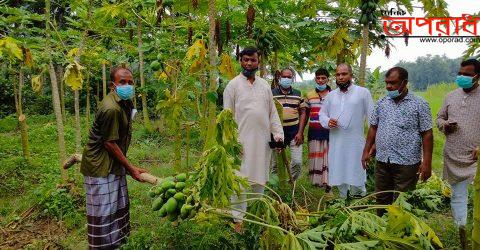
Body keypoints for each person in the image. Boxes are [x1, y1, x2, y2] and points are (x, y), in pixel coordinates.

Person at [80, 67, 148, 249]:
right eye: (122, 82)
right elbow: (109, 144)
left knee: (119, 208)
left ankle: (119, 246)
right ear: (112, 85)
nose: (127, 86)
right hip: (100, 166)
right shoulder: (111, 108)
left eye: (130, 82)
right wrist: (131, 168)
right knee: (104, 214)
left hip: (114, 164)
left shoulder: (124, 102)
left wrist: (125, 166)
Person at [223, 47, 284, 232]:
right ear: (240, 61)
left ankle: (256, 213)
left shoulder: (265, 85)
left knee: (260, 178)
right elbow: (227, 117)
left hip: (262, 142)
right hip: (240, 142)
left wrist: (278, 135)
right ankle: (238, 219)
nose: (249, 63)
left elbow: (272, 113)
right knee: (239, 181)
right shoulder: (232, 86)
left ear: (259, 62)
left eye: (253, 60)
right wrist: (231, 142)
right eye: (246, 60)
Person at [362, 67, 433, 215]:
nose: (388, 86)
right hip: (383, 159)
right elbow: (373, 128)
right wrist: (366, 151)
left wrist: (426, 162)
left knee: (402, 200)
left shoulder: (419, 104)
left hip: (406, 161)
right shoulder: (382, 102)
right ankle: (381, 226)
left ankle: (398, 231)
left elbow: (427, 133)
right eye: (387, 83)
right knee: (381, 197)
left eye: (393, 83)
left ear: (404, 82)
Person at [437, 58, 480, 249]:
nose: (462, 77)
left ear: (477, 77)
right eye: (460, 73)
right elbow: (439, 117)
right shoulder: (450, 96)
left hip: (476, 156)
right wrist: (444, 125)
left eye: (467, 75)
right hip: (453, 154)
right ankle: (460, 226)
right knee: (458, 194)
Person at [319, 63, 373, 198]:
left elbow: (372, 119)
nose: (340, 77)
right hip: (337, 142)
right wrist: (328, 121)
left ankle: (358, 198)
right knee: (339, 169)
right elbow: (322, 114)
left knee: (356, 169)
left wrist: (372, 143)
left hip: (356, 142)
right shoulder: (331, 96)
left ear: (351, 75)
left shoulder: (363, 93)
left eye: (344, 74)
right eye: (338, 74)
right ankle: (343, 198)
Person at [271, 68, 308, 181]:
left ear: (292, 78)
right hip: (276, 134)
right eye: (284, 76)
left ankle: (291, 183)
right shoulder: (271, 93)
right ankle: (276, 186)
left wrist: (300, 133)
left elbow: (303, 112)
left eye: (289, 77)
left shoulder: (298, 94)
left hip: (294, 133)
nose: (286, 79)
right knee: (275, 164)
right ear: (279, 78)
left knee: (297, 162)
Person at [305, 68, 332, 190]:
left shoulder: (334, 95)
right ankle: (316, 183)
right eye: (318, 78)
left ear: (328, 79)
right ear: (315, 79)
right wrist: (300, 132)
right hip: (314, 132)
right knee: (316, 157)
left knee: (328, 158)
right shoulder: (309, 95)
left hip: (329, 133)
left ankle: (328, 184)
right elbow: (304, 115)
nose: (320, 81)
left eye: (323, 78)